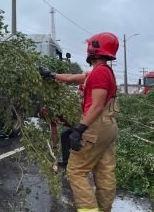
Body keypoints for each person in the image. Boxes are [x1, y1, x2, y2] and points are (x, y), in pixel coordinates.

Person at [39, 32, 119, 212]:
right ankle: (104, 208)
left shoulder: (99, 73)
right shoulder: (104, 71)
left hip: (95, 127)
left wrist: (80, 129)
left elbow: (97, 105)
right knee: (105, 171)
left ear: (93, 49)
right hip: (109, 127)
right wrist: (52, 75)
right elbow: (73, 78)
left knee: (76, 171)